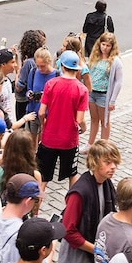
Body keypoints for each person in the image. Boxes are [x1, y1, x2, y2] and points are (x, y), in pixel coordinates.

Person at [36, 50, 89, 194]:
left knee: (43, 178)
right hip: (69, 141)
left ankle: (35, 210)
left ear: (62, 66)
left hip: (49, 138)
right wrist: (83, 128)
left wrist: (44, 122)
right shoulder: (82, 89)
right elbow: (80, 120)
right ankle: (71, 208)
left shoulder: (51, 84)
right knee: (72, 174)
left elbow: (41, 112)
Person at [86, 32, 123, 146]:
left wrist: (112, 100)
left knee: (105, 121)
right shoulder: (95, 57)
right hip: (92, 93)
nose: (105, 48)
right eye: (103, 44)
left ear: (112, 47)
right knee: (94, 119)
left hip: (104, 95)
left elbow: (118, 82)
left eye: (108, 45)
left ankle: (103, 146)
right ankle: (90, 144)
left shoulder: (115, 61)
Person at [15, 30, 47, 121]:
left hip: (23, 99)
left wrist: (17, 73)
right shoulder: (38, 60)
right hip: (34, 98)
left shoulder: (28, 62)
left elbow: (19, 87)